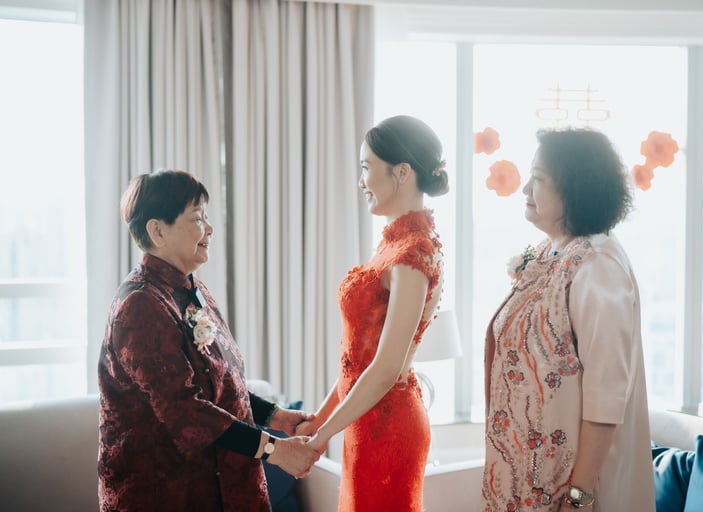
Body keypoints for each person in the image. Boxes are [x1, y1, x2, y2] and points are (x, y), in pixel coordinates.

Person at [97, 169, 320, 512]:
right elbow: (183, 410)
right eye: (197, 218)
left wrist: (276, 417)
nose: (210, 228)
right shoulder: (140, 304)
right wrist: (274, 449)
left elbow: (221, 385)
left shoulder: (191, 289)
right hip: (166, 495)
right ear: (158, 231)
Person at [482, 127, 655, 511]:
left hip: (567, 486)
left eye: (538, 178)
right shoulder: (550, 250)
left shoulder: (598, 264)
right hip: (524, 473)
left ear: (575, 188)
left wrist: (579, 497)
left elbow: (606, 394)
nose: (525, 189)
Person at [296, 115, 448, 511]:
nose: (361, 181)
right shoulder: (392, 244)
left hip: (389, 427)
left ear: (402, 172)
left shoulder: (413, 252)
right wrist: (319, 419)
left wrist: (321, 437)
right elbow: (357, 360)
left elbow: (385, 367)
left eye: (366, 167)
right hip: (366, 421)